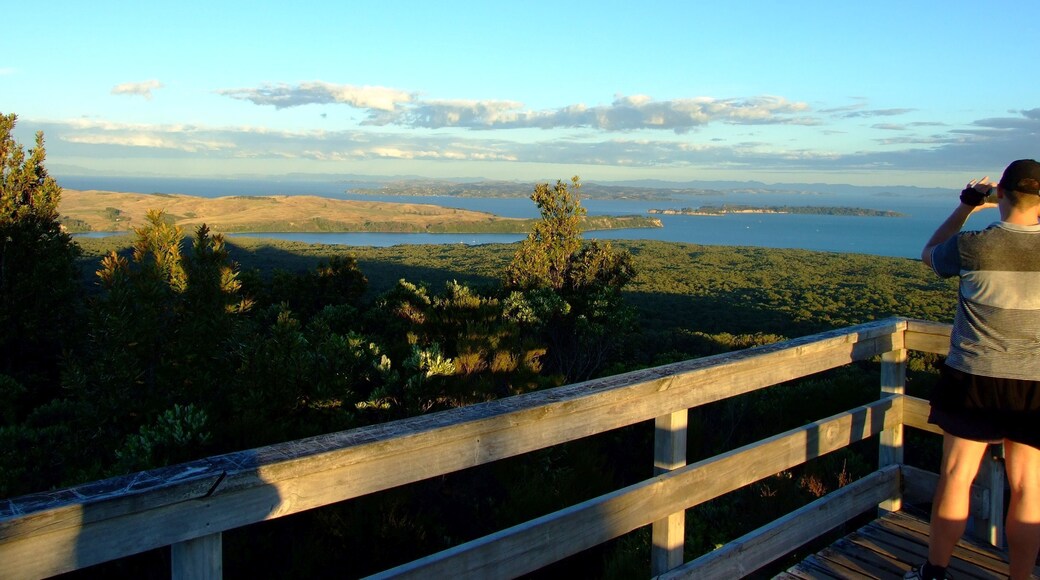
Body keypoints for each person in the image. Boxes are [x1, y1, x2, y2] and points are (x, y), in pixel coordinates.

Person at [905, 159, 1040, 580]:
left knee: (956, 476)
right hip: (1034, 382)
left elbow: (928, 255)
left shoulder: (973, 245)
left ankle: (936, 571)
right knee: (1027, 487)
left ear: (999, 193)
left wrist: (965, 206)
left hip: (974, 377)